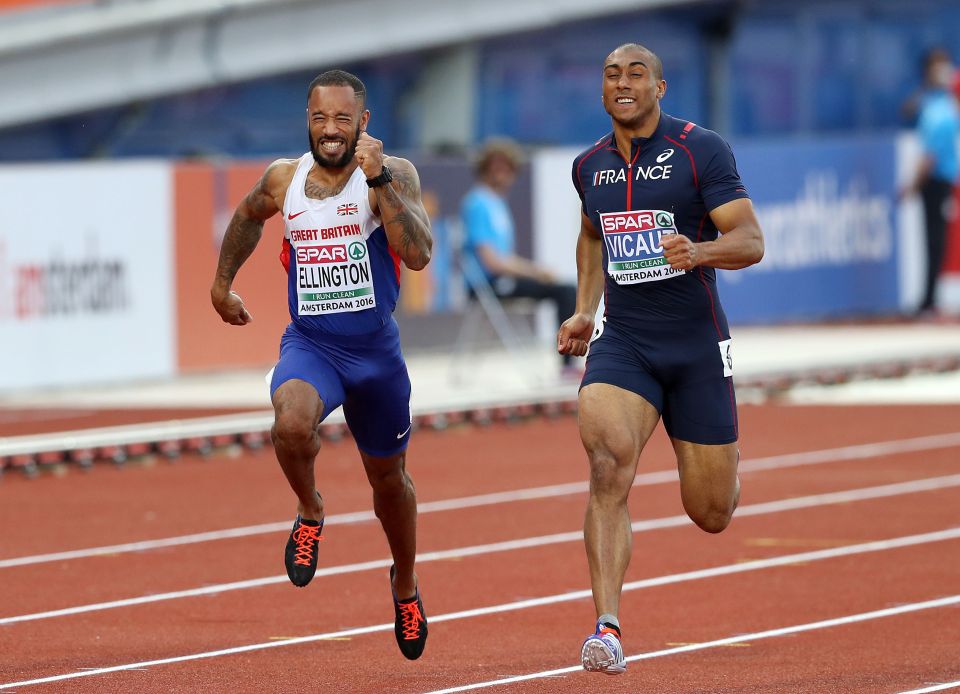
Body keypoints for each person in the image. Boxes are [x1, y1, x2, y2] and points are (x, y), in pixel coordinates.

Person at [210, 69, 432, 660]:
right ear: (307, 122)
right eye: (319, 118)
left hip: (376, 356)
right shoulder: (286, 178)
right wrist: (221, 283)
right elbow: (248, 215)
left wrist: (379, 178)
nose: (329, 130)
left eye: (341, 119)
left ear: (364, 122)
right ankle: (310, 509)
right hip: (312, 345)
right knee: (289, 423)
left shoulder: (392, 174)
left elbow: (418, 256)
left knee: (389, 483)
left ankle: (404, 582)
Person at [557, 43, 764, 675]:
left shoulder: (702, 150)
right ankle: (607, 628)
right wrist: (585, 310)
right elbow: (592, 235)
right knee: (606, 464)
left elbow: (750, 240)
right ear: (602, 90)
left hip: (695, 345)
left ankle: (724, 461)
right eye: (611, 74)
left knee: (711, 513)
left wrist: (698, 253)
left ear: (661, 87)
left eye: (636, 74)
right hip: (627, 343)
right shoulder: (588, 165)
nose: (623, 83)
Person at [460, 137, 579, 373]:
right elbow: (492, 262)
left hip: (501, 280)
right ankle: (567, 367)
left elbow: (504, 258)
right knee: (565, 291)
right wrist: (536, 272)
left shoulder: (497, 204)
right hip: (490, 285)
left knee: (561, 285)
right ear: (485, 169)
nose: (502, 173)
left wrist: (539, 272)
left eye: (507, 167)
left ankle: (567, 364)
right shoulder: (477, 203)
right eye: (496, 167)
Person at [900, 48, 959, 317]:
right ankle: (929, 298)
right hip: (938, 180)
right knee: (934, 239)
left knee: (935, 240)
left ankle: (929, 299)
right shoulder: (936, 106)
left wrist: (912, 185)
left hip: (937, 180)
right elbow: (908, 110)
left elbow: (930, 157)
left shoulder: (942, 111)